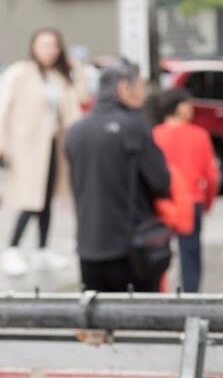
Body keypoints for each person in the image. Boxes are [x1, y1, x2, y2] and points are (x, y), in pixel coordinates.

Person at [65, 58, 170, 292]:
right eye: (140, 86)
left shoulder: (76, 130)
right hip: (130, 250)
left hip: (88, 248)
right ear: (124, 87)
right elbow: (161, 182)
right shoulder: (135, 126)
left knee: (98, 322)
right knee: (138, 321)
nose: (143, 94)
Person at [0, 27, 85, 277]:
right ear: (34, 46)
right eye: (44, 45)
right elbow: (2, 108)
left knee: (46, 199)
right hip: (24, 148)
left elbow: (79, 98)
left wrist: (76, 69)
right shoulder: (19, 73)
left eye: (54, 45)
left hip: (52, 147)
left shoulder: (57, 77)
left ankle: (42, 249)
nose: (49, 50)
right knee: (29, 200)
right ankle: (12, 248)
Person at [152, 87, 219, 293]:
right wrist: (207, 202)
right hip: (192, 202)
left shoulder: (154, 135)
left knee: (157, 251)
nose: (191, 108)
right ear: (179, 107)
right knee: (190, 254)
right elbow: (211, 175)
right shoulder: (199, 135)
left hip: (161, 203)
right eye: (188, 104)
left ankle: (158, 292)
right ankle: (191, 296)